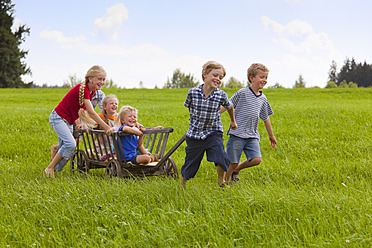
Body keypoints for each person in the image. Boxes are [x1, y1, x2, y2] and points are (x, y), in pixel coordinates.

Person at [44, 65, 115, 178]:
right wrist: (106, 127)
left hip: (68, 121)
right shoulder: (84, 90)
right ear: (90, 78)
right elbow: (91, 112)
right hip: (58, 118)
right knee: (71, 144)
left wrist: (85, 125)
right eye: (99, 79)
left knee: (69, 148)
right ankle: (50, 168)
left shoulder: (92, 91)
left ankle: (55, 168)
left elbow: (82, 111)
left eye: (103, 79)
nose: (102, 82)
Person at [180, 61, 237, 188]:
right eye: (215, 75)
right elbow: (189, 107)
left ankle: (221, 183)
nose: (218, 79)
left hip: (213, 132)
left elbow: (229, 106)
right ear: (205, 75)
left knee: (221, 157)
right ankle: (182, 186)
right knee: (190, 163)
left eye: (220, 77)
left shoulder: (221, 95)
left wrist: (233, 121)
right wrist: (195, 120)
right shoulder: (192, 92)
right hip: (195, 135)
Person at [223, 63, 277, 183]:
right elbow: (228, 105)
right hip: (237, 134)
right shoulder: (242, 93)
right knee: (232, 162)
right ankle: (225, 183)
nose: (264, 80)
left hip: (252, 135)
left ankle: (237, 169)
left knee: (256, 159)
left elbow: (265, 117)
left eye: (266, 78)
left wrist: (271, 135)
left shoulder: (263, 99)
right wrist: (214, 113)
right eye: (262, 77)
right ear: (252, 78)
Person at [50, 89, 106, 160]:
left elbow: (104, 110)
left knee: (75, 142)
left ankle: (56, 157)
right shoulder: (82, 92)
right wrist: (79, 123)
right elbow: (75, 110)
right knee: (71, 142)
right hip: (73, 117)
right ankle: (55, 157)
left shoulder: (100, 94)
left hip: (84, 119)